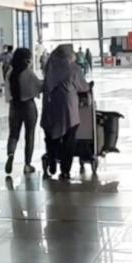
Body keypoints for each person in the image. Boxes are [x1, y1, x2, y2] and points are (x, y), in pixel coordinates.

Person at [40, 45, 90, 180]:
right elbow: (82, 87)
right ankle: (65, 170)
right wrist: (89, 86)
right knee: (69, 140)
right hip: (68, 110)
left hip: (49, 108)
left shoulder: (49, 67)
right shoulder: (74, 68)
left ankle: (52, 161)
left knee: (50, 137)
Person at [5, 48, 43, 175]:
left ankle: (11, 154)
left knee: (13, 134)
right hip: (28, 106)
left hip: (14, 106)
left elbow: (7, 91)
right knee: (29, 135)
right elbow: (39, 86)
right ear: (26, 60)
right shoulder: (28, 73)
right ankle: (27, 164)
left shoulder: (10, 73)